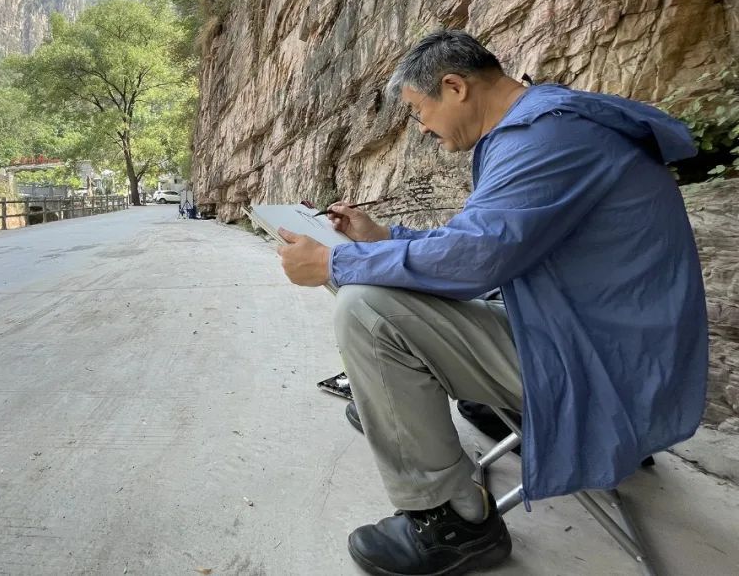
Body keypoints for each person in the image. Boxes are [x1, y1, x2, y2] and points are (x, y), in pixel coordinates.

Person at [276, 30, 707, 576]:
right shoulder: (548, 123)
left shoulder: (544, 138)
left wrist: (335, 264)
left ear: (454, 86)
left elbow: (477, 259)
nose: (422, 129)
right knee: (386, 289)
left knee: (366, 308)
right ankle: (412, 412)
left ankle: (453, 525)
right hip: (605, 343)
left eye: (417, 112)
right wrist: (382, 237)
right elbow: (487, 244)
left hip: (608, 373)